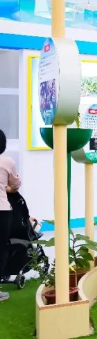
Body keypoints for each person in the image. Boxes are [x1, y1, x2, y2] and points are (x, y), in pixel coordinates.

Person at [0, 129, 21, 302]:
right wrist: (6, 188)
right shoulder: (7, 162)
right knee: (0, 249)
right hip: (2, 211)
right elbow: (15, 185)